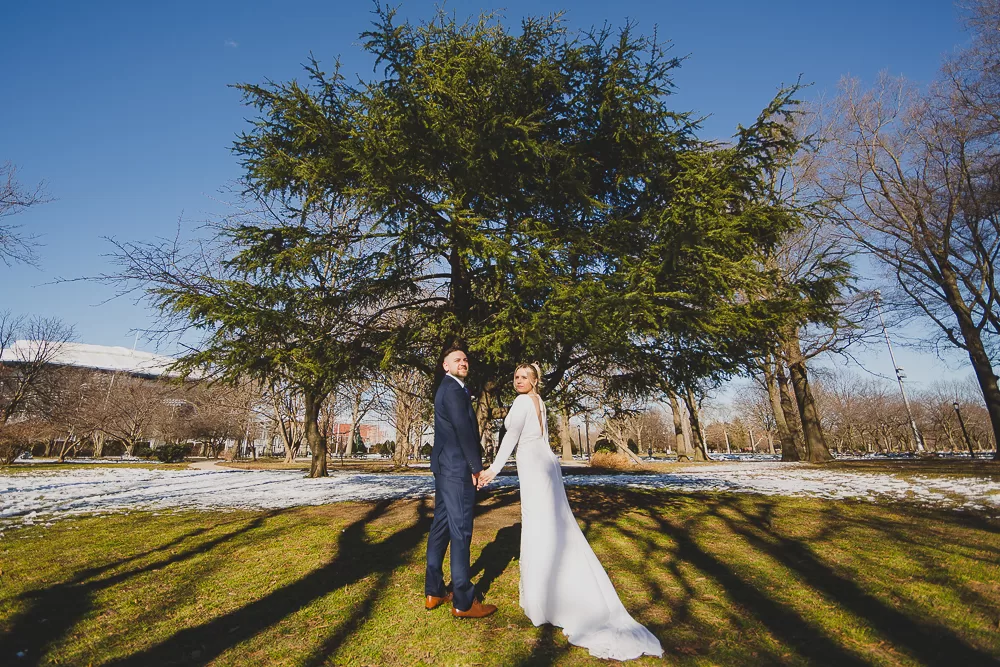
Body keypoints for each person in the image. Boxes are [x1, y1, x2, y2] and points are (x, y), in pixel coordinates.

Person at [478, 364, 663, 660]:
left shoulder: (523, 401)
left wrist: (492, 470)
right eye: (515, 376)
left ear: (535, 381)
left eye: (525, 377)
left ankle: (546, 598)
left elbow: (510, 440)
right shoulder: (541, 401)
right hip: (546, 465)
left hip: (536, 468)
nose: (519, 381)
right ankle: (555, 586)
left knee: (539, 527)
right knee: (554, 525)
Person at [424, 345, 498, 619]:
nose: (463, 362)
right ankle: (464, 602)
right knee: (461, 530)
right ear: (446, 366)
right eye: (457, 360)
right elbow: (464, 430)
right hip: (456, 468)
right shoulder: (453, 389)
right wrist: (475, 468)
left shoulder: (450, 388)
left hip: (445, 467)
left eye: (465, 359)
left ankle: (434, 591)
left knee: (441, 526)